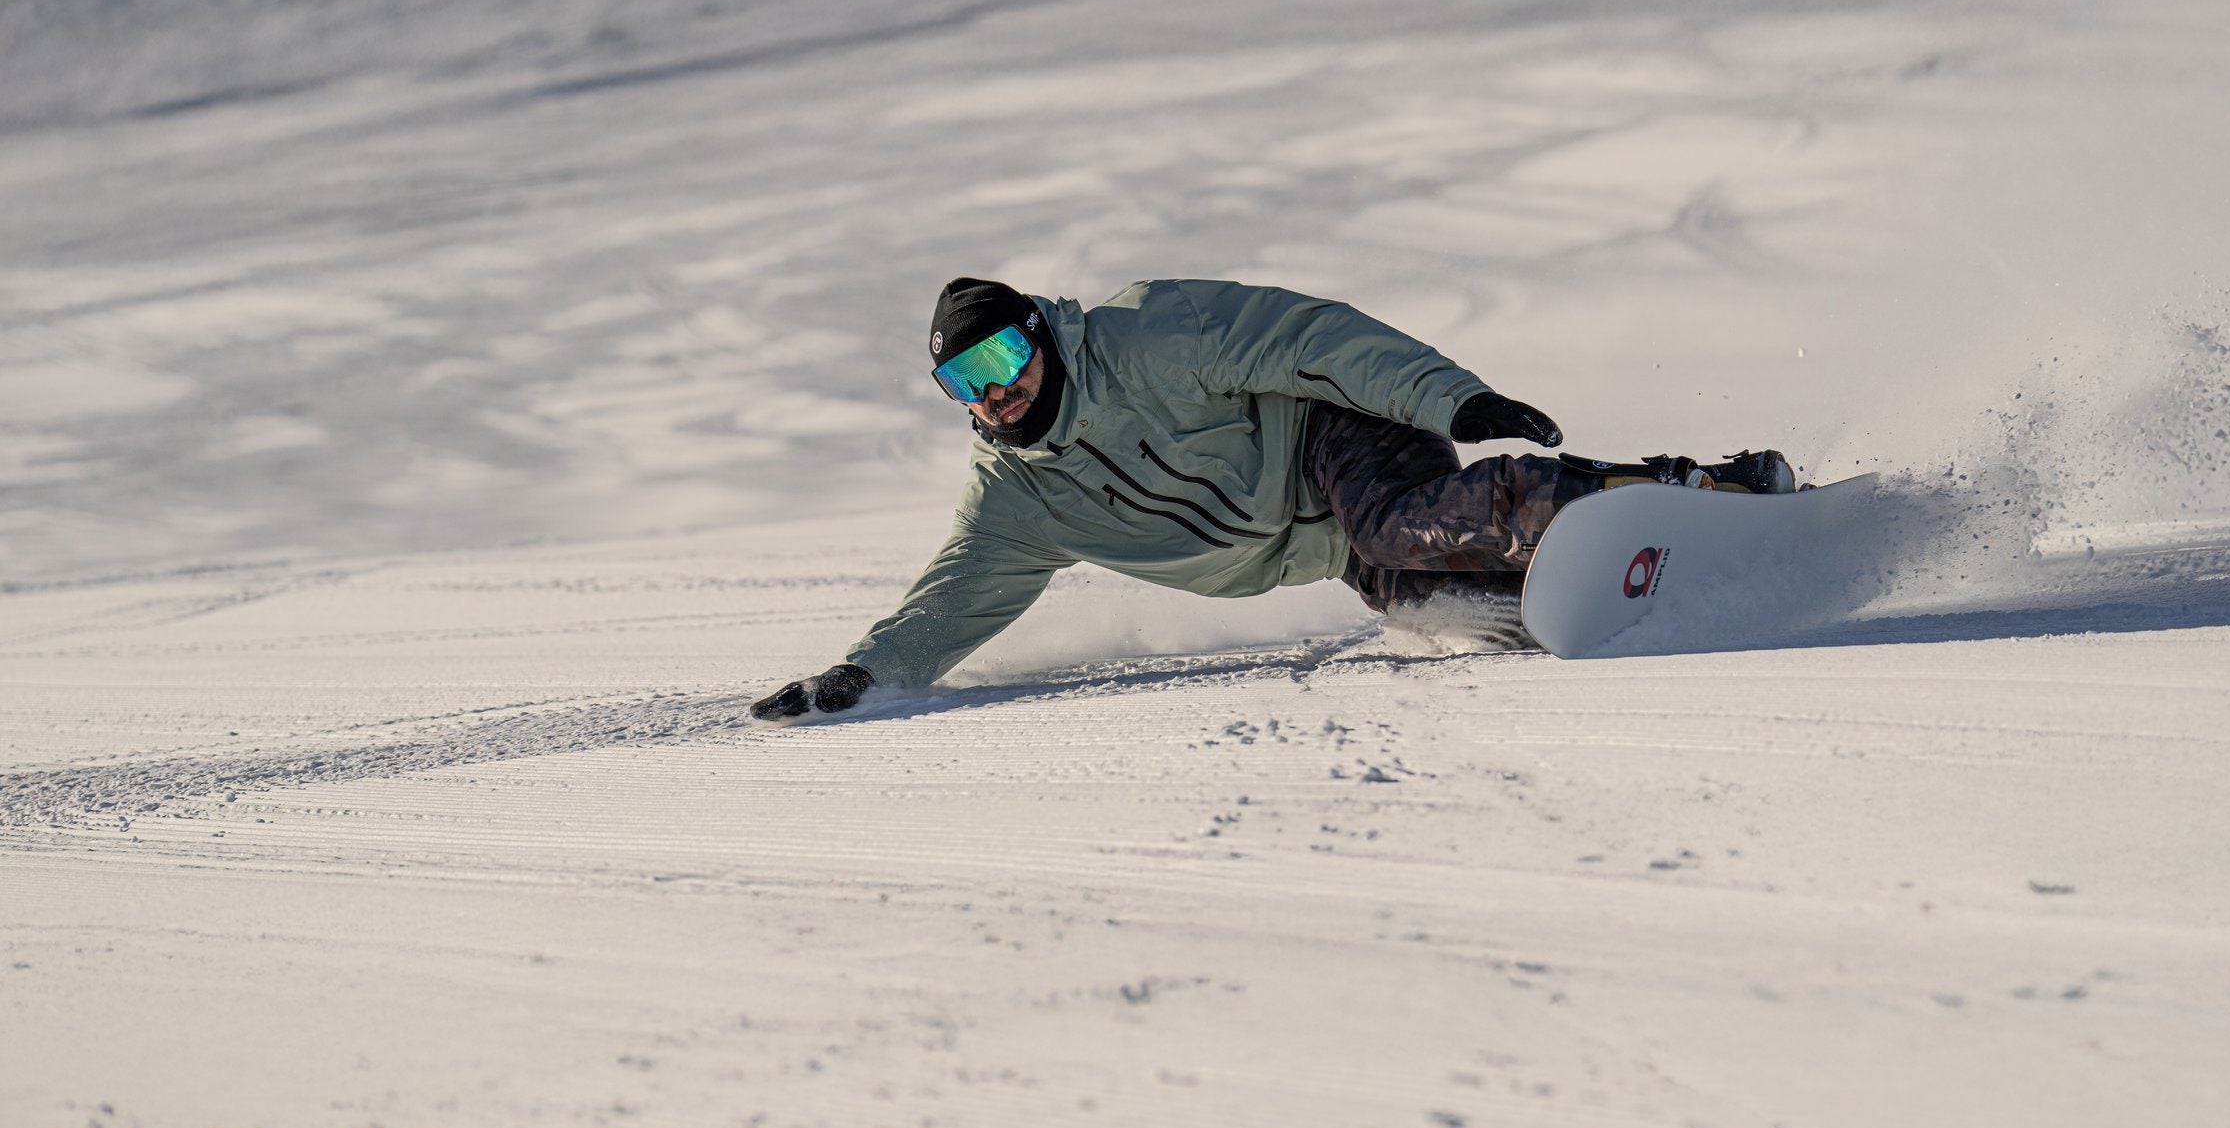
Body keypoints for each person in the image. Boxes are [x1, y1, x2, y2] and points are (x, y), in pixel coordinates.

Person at [751, 276, 1794, 719]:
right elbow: (954, 596)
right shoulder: (1016, 498)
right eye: (965, 382)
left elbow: (1306, 338)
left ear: (1038, 334)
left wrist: (1450, 398)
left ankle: (1677, 488)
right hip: (1329, 541)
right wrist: (865, 675)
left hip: (1332, 431)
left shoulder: (1145, 334)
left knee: (1402, 521)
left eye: (1002, 358)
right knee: (1435, 606)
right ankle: (1648, 583)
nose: (996, 391)